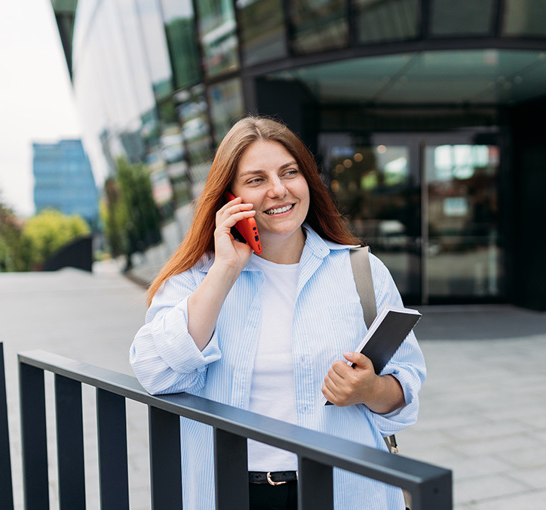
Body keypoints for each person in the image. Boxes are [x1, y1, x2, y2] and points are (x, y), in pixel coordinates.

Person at [130, 116, 426, 510]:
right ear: (229, 198)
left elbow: (406, 383)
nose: (278, 189)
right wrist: (224, 270)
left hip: (342, 489)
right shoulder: (195, 279)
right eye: (256, 180)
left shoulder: (361, 270)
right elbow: (154, 371)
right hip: (230, 492)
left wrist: (370, 389)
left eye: (289, 172)